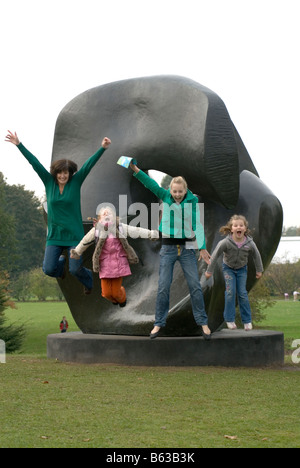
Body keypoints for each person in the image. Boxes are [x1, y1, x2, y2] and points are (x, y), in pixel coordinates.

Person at [5, 130, 111, 294]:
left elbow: (88, 165)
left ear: (70, 173)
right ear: (56, 173)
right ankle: (60, 267)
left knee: (75, 270)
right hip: (54, 236)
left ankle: (88, 280)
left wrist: (102, 148)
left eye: (66, 172)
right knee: (48, 269)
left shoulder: (75, 183)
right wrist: (19, 145)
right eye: (60, 172)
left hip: (74, 236)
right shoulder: (49, 183)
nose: (63, 175)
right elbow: (35, 163)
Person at [130, 162, 212, 340]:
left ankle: (203, 323)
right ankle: (158, 323)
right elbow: (150, 184)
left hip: (188, 248)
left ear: (185, 190)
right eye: (174, 192)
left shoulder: (192, 201)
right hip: (167, 248)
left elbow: (197, 225)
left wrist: (203, 247)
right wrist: (136, 170)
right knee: (163, 287)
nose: (176, 195)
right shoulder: (165, 196)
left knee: (195, 286)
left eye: (179, 192)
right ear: (170, 190)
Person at [71, 206, 159, 306]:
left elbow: (136, 231)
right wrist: (77, 251)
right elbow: (85, 241)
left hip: (119, 264)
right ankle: (114, 300)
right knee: (106, 294)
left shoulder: (120, 227)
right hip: (105, 265)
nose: (106, 215)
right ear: (99, 219)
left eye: (109, 213)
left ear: (114, 216)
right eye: (104, 214)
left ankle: (122, 298)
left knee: (116, 293)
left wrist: (150, 234)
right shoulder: (97, 230)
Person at [205, 215, 263, 330]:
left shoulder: (249, 243)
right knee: (230, 292)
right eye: (235, 225)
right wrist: (209, 271)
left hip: (242, 269)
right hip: (228, 269)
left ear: (245, 229)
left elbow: (257, 256)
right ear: (231, 229)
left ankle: (247, 321)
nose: (238, 227)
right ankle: (229, 320)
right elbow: (215, 255)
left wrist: (259, 270)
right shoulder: (225, 242)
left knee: (242, 294)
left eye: (241, 225)